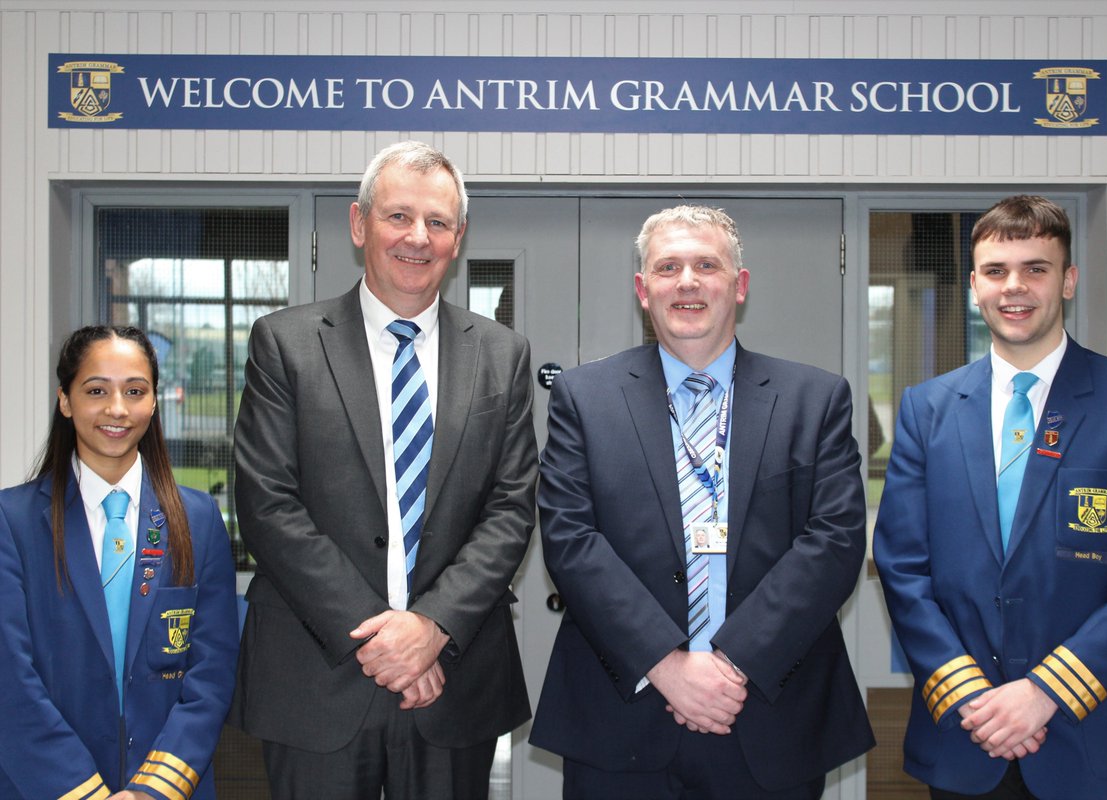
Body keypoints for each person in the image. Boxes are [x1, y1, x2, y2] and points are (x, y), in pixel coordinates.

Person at [531, 205, 875, 798]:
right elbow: (571, 539)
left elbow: (835, 541)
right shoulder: (583, 399)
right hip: (622, 715)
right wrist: (667, 665)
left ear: (738, 286)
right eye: (667, 268)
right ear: (644, 290)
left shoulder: (814, 399)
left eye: (706, 265)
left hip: (767, 710)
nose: (687, 282)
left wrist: (730, 665)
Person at [230, 140, 538, 798]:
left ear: (458, 237)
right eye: (398, 216)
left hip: (453, 681)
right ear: (359, 223)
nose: (417, 238)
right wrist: (386, 639)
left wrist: (431, 628)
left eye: (437, 222)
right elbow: (267, 504)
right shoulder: (284, 344)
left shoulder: (501, 354)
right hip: (317, 681)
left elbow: (511, 508)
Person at [873, 195, 1107, 800]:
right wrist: (973, 698)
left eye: (1036, 269)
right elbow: (902, 567)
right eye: (996, 271)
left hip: (1094, 737)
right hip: (967, 734)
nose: (1013, 287)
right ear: (974, 285)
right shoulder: (927, 409)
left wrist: (1045, 692)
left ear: (1068, 280)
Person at [0, 325, 239, 799]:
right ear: (65, 400)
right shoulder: (13, 522)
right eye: (96, 391)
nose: (117, 409)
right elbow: (11, 679)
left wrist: (152, 790)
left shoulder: (197, 520)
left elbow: (211, 671)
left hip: (170, 787)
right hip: (44, 784)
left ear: (154, 402)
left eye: (135, 391)